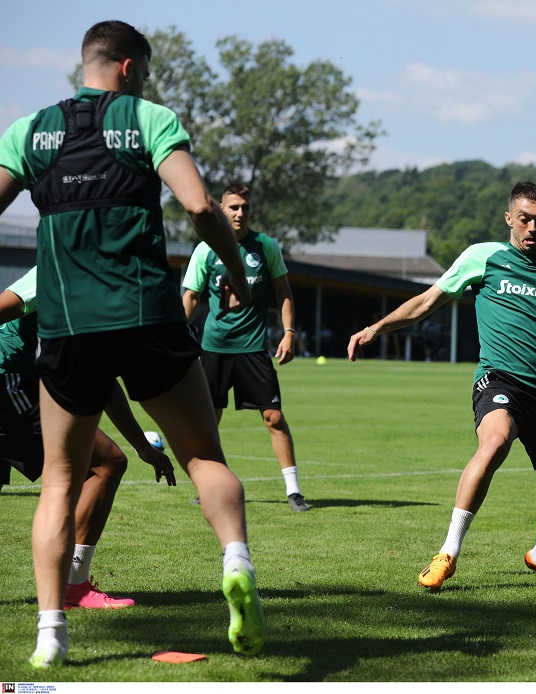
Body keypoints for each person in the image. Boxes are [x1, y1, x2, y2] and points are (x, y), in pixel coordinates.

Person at [0, 20, 265, 667]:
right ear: (127, 67)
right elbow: (199, 207)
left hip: (68, 326)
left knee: (60, 481)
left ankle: (50, 637)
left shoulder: (29, 132)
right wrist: (235, 271)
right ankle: (236, 561)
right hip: (147, 315)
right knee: (203, 456)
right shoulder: (148, 119)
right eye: (143, 73)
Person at [347, 181, 536, 591]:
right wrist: (377, 327)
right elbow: (427, 301)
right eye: (524, 219)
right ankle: (447, 553)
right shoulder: (483, 257)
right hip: (500, 378)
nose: (532, 228)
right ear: (509, 218)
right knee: (495, 441)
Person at [0, 269, 176, 609]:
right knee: (106, 464)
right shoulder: (61, 267)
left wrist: (142, 447)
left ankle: (72, 586)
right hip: (11, 381)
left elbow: (104, 381)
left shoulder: (107, 292)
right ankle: (74, 586)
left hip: (21, 382)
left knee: (108, 462)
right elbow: (8, 305)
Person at [182, 183, 309, 512]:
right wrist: (178, 335)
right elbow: (191, 296)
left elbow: (283, 291)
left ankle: (294, 491)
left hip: (253, 347)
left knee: (274, 417)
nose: (240, 213)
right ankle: (208, 487)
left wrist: (289, 332)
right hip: (214, 347)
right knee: (209, 421)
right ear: (221, 209)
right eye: (234, 207)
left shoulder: (265, 246)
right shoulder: (205, 249)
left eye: (245, 207)